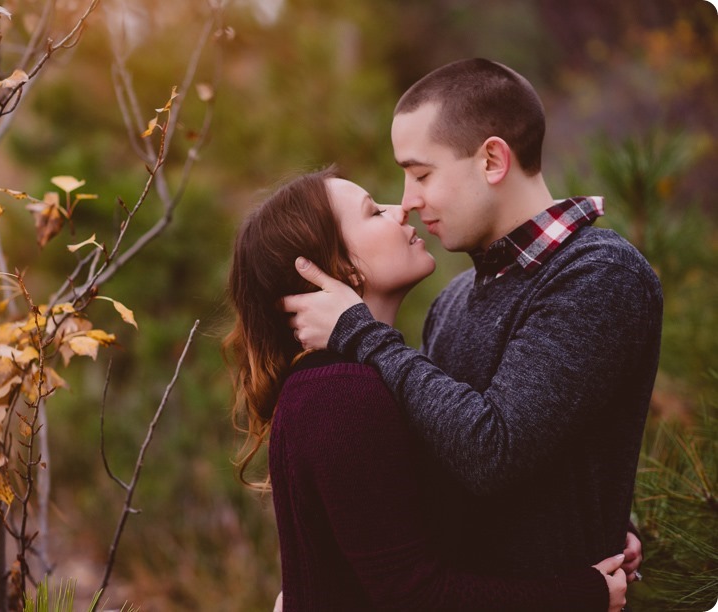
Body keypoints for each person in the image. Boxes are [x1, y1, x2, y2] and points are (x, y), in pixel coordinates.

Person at [282, 58, 661, 591]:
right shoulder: (455, 299)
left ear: (491, 160)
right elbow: (448, 469)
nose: (408, 201)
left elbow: (492, 452)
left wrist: (362, 334)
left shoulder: (599, 274)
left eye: (420, 174)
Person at [226, 166, 628, 610]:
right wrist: (582, 595)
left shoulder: (358, 380)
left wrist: (588, 525)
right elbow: (413, 595)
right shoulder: (339, 394)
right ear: (340, 268)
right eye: (373, 212)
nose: (400, 209)